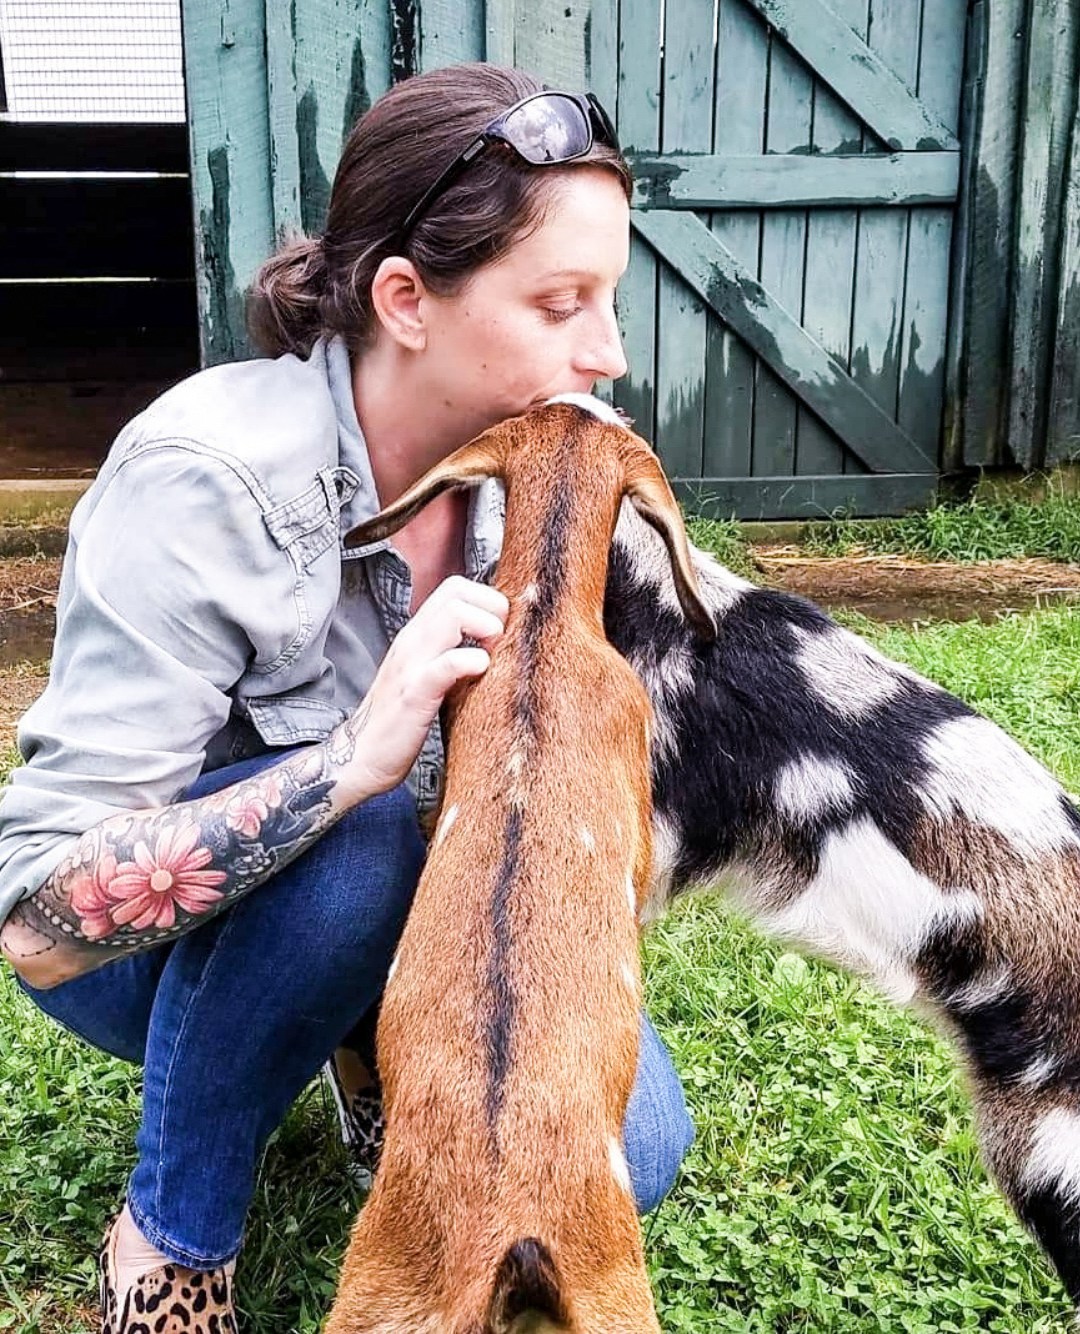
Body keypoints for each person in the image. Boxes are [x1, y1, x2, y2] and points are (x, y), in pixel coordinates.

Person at [0, 63, 694, 1333]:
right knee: (363, 834)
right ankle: (174, 1232)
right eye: (563, 303)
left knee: (635, 1153)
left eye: (612, 302)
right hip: (144, 950)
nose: (609, 353)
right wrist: (351, 760)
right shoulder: (202, 477)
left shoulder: (539, 471)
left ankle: (365, 1045)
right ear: (403, 299)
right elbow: (38, 925)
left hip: (426, 927)